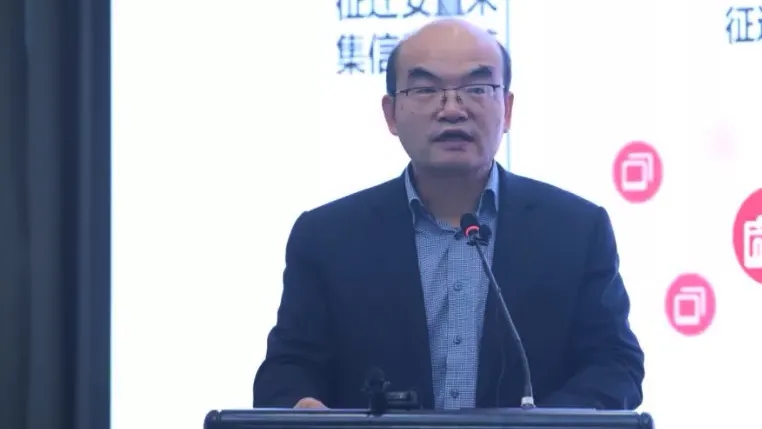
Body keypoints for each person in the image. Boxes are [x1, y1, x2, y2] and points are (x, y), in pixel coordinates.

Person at [253, 19, 644, 410]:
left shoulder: (575, 230)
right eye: (426, 89)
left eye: (477, 88)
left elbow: (614, 365)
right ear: (391, 114)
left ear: (507, 109)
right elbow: (287, 369)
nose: (453, 110)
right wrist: (300, 405)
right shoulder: (327, 238)